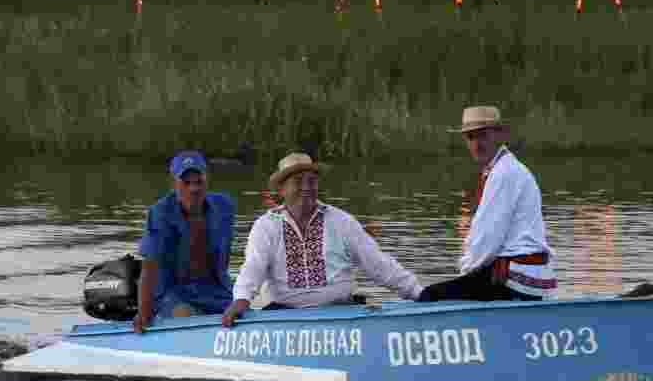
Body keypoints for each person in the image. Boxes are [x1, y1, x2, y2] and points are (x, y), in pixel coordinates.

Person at [221, 153, 422, 326]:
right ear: (282, 189)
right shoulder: (266, 226)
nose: (307, 187)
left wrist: (419, 293)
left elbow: (378, 265)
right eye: (298, 181)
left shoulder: (341, 220)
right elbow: (253, 267)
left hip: (342, 314)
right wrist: (241, 299)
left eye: (312, 181)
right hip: (283, 318)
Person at [418, 106, 557, 302]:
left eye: (482, 135)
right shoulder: (502, 169)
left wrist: (466, 275)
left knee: (430, 296)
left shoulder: (503, 173)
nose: (476, 144)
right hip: (524, 277)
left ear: (499, 135)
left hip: (515, 280)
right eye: (470, 137)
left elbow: (487, 238)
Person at [133, 150, 236, 333]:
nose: (194, 188)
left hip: (217, 292)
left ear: (207, 180)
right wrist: (143, 313)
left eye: (199, 182)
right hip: (173, 294)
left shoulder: (224, 206)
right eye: (186, 182)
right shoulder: (160, 213)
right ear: (174, 183)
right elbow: (149, 267)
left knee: (246, 317)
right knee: (187, 317)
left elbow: (224, 255)